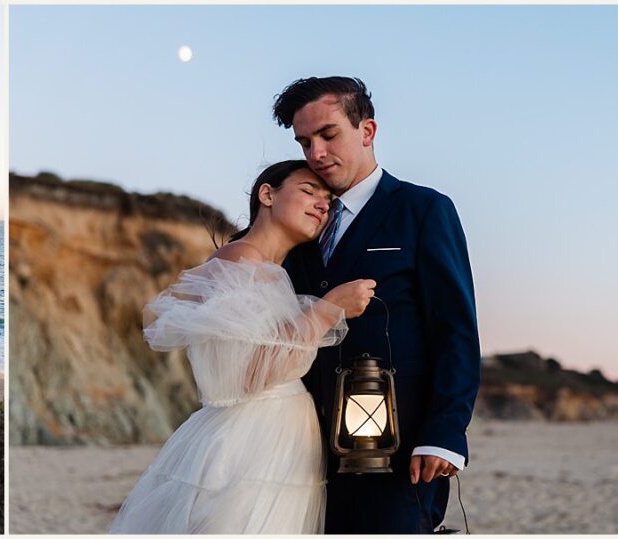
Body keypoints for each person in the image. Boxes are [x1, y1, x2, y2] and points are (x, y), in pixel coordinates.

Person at [109, 160, 376, 534]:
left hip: (277, 436)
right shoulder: (241, 262)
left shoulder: (268, 270)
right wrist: (329, 309)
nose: (322, 204)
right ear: (267, 194)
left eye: (329, 199)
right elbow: (249, 374)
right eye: (308, 191)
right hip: (253, 440)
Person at [273, 76, 480, 534]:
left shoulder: (423, 210)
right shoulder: (300, 225)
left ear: (367, 131)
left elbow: (456, 332)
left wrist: (445, 434)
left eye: (329, 135)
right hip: (303, 455)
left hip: (398, 454)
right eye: (305, 142)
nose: (316, 154)